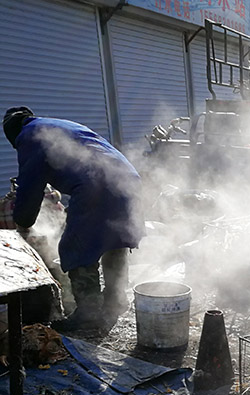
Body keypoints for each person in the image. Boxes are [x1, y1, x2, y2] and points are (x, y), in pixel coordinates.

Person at [3, 107, 145, 331]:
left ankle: (89, 316)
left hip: (97, 185)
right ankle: (115, 301)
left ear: (13, 135)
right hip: (127, 177)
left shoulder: (28, 137)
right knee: (115, 239)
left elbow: (30, 188)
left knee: (75, 246)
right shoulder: (56, 125)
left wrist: (23, 223)